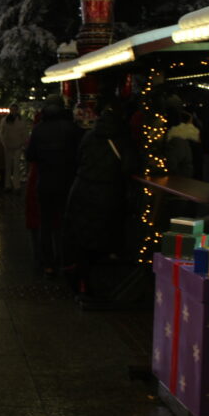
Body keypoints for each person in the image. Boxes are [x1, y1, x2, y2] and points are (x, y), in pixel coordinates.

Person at [65, 102, 137, 295]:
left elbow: (78, 159)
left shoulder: (89, 136)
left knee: (83, 236)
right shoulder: (122, 140)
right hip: (107, 194)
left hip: (82, 190)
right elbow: (128, 167)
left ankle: (81, 278)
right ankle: (96, 282)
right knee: (103, 237)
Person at [26, 95, 83, 277]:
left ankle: (48, 264)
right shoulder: (72, 129)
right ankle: (65, 260)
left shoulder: (39, 129)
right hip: (67, 182)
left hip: (45, 182)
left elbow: (30, 155)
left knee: (46, 223)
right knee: (65, 223)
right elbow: (79, 155)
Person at [0, 103, 29, 191]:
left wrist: (22, 142)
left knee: (15, 166)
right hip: (9, 145)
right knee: (9, 166)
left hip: (16, 145)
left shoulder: (19, 120)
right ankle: (9, 185)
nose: (13, 111)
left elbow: (25, 133)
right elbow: (1, 132)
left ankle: (15, 185)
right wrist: (4, 142)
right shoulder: (5, 120)